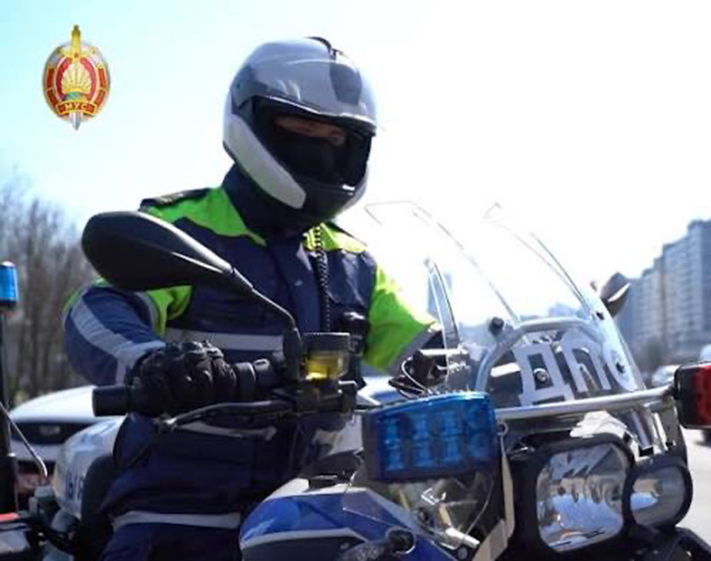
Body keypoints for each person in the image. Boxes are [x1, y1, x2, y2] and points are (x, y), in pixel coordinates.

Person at [64, 37, 437, 561]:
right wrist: (152, 363)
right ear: (253, 122)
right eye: (301, 129)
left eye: (336, 137)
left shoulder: (352, 261)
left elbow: (429, 348)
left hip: (314, 513)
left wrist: (502, 371)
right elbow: (95, 311)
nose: (322, 149)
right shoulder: (185, 230)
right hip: (182, 512)